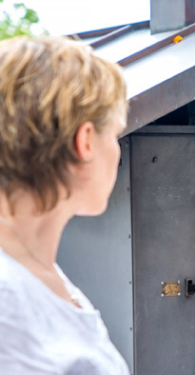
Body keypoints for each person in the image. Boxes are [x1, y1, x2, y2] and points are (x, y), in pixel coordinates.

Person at [0, 36, 129, 374]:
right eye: (115, 134)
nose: (116, 152)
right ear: (85, 141)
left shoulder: (36, 262)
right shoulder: (6, 300)